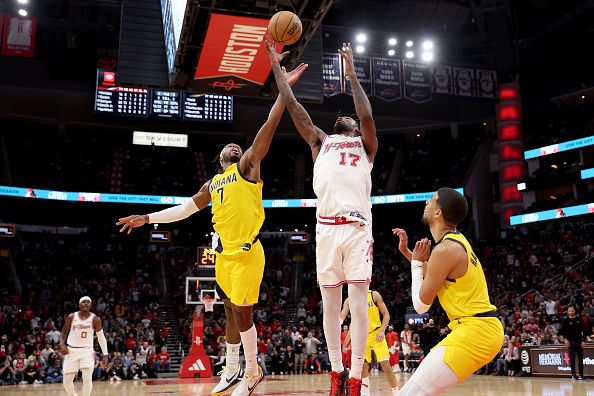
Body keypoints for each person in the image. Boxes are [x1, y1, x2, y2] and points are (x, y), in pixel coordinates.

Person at [116, 62, 307, 396]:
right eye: (228, 148)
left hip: (248, 253)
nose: (234, 146)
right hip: (224, 256)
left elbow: (268, 127)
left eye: (237, 146)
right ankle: (231, 367)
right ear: (220, 159)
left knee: (244, 314)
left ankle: (253, 370)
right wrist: (147, 218)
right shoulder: (212, 184)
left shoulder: (247, 167)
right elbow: (184, 210)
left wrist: (283, 90)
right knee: (231, 310)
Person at [267, 39, 378, 396]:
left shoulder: (366, 145)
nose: (343, 115)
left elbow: (367, 115)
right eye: (341, 116)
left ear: (356, 130)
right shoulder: (319, 141)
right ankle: (337, 373)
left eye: (350, 118)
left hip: (358, 230)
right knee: (331, 309)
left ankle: (357, 378)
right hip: (327, 231)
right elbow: (295, 107)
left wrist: (352, 76)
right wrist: (276, 70)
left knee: (359, 308)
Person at [393, 188, 504, 395]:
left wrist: (416, 263)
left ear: (438, 213)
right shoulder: (454, 242)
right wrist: (409, 254)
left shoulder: (445, 250)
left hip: (476, 332)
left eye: (432, 199)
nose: (427, 201)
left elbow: (421, 305)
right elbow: (436, 274)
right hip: (478, 330)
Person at [341, 291, 400, 396]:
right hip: (361, 336)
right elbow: (344, 320)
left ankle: (396, 392)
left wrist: (382, 331)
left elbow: (386, 314)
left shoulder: (373, 295)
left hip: (377, 334)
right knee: (363, 366)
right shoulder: (349, 300)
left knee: (385, 365)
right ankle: (365, 393)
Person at [60, 296, 109, 396]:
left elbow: (101, 337)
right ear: (79, 305)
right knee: (66, 382)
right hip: (71, 351)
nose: (86, 303)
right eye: (83, 302)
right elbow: (64, 332)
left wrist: (105, 354)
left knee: (87, 380)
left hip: (87, 351)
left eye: (88, 302)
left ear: (91, 305)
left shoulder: (95, 319)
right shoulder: (72, 317)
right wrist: (62, 345)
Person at [560, 306, 586, 380]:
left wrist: (584, 340)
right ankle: (573, 375)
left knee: (580, 359)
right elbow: (561, 332)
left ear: (574, 311)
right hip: (570, 343)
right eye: (569, 311)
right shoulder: (565, 321)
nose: (571, 312)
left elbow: (585, 331)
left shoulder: (579, 320)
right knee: (572, 360)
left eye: (572, 311)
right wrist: (565, 339)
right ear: (567, 312)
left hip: (579, 342)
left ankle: (581, 375)